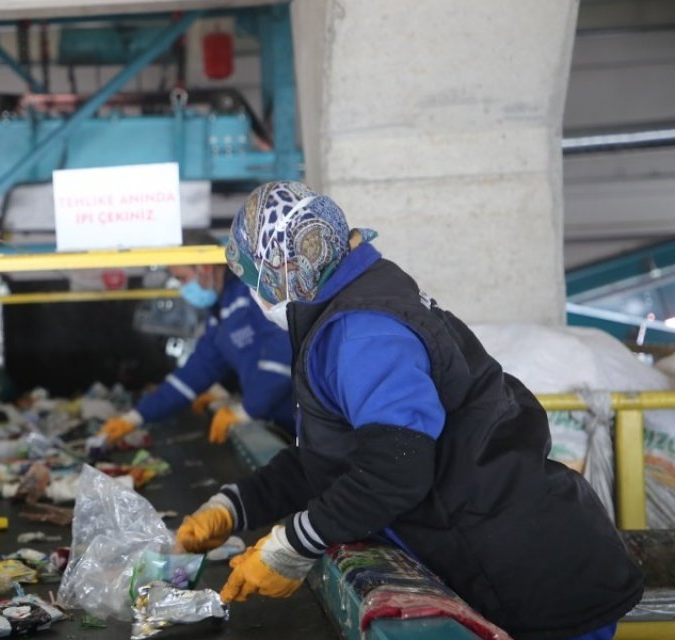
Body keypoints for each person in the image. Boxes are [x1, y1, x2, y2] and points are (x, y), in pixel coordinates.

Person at [176, 181, 641, 640]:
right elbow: (336, 454)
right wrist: (236, 505)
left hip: (535, 579)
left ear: (282, 268)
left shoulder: (364, 331)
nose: (256, 297)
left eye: (254, 281)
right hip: (507, 554)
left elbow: (395, 468)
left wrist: (291, 545)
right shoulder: (350, 310)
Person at [98, 243, 293, 445]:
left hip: (302, 416)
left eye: (182, 278)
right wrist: (135, 417)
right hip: (279, 422)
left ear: (205, 268)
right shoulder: (220, 318)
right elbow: (194, 374)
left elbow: (285, 351)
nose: (182, 288)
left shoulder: (252, 294)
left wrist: (248, 408)